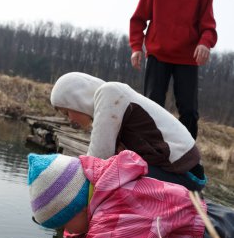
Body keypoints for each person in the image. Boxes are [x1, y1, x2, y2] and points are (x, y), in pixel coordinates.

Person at [28, 150, 234, 238]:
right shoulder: (104, 183)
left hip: (213, 237)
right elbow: (76, 224)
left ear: (77, 208)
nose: (64, 230)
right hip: (213, 217)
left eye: (63, 224)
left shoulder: (111, 215)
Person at [50, 71, 206, 191]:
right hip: (174, 170)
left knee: (111, 177)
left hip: (185, 175)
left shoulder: (109, 92)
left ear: (76, 100)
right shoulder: (109, 99)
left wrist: (64, 184)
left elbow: (97, 159)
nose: (69, 119)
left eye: (66, 112)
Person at [129, 0, 217, 140]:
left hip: (187, 58)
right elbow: (139, 18)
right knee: (151, 105)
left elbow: (209, 26)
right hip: (158, 55)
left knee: (189, 112)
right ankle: (146, 151)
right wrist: (135, 47)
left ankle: (185, 162)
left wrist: (205, 43)